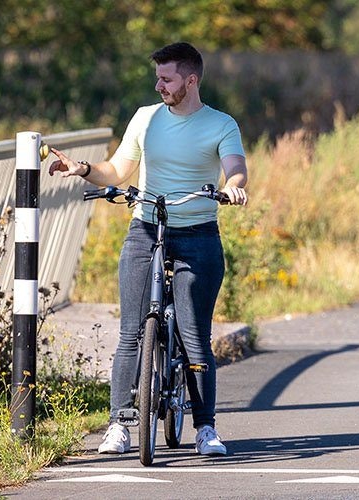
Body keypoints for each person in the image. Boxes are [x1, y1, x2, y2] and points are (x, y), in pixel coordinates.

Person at [48, 42, 248, 456]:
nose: (158, 86)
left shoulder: (221, 124)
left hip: (198, 236)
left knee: (196, 337)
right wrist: (82, 169)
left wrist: (233, 188)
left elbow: (235, 168)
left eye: (166, 78)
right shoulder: (145, 119)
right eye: (157, 77)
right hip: (145, 229)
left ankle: (206, 428)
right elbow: (118, 169)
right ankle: (120, 425)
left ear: (190, 81)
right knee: (130, 335)